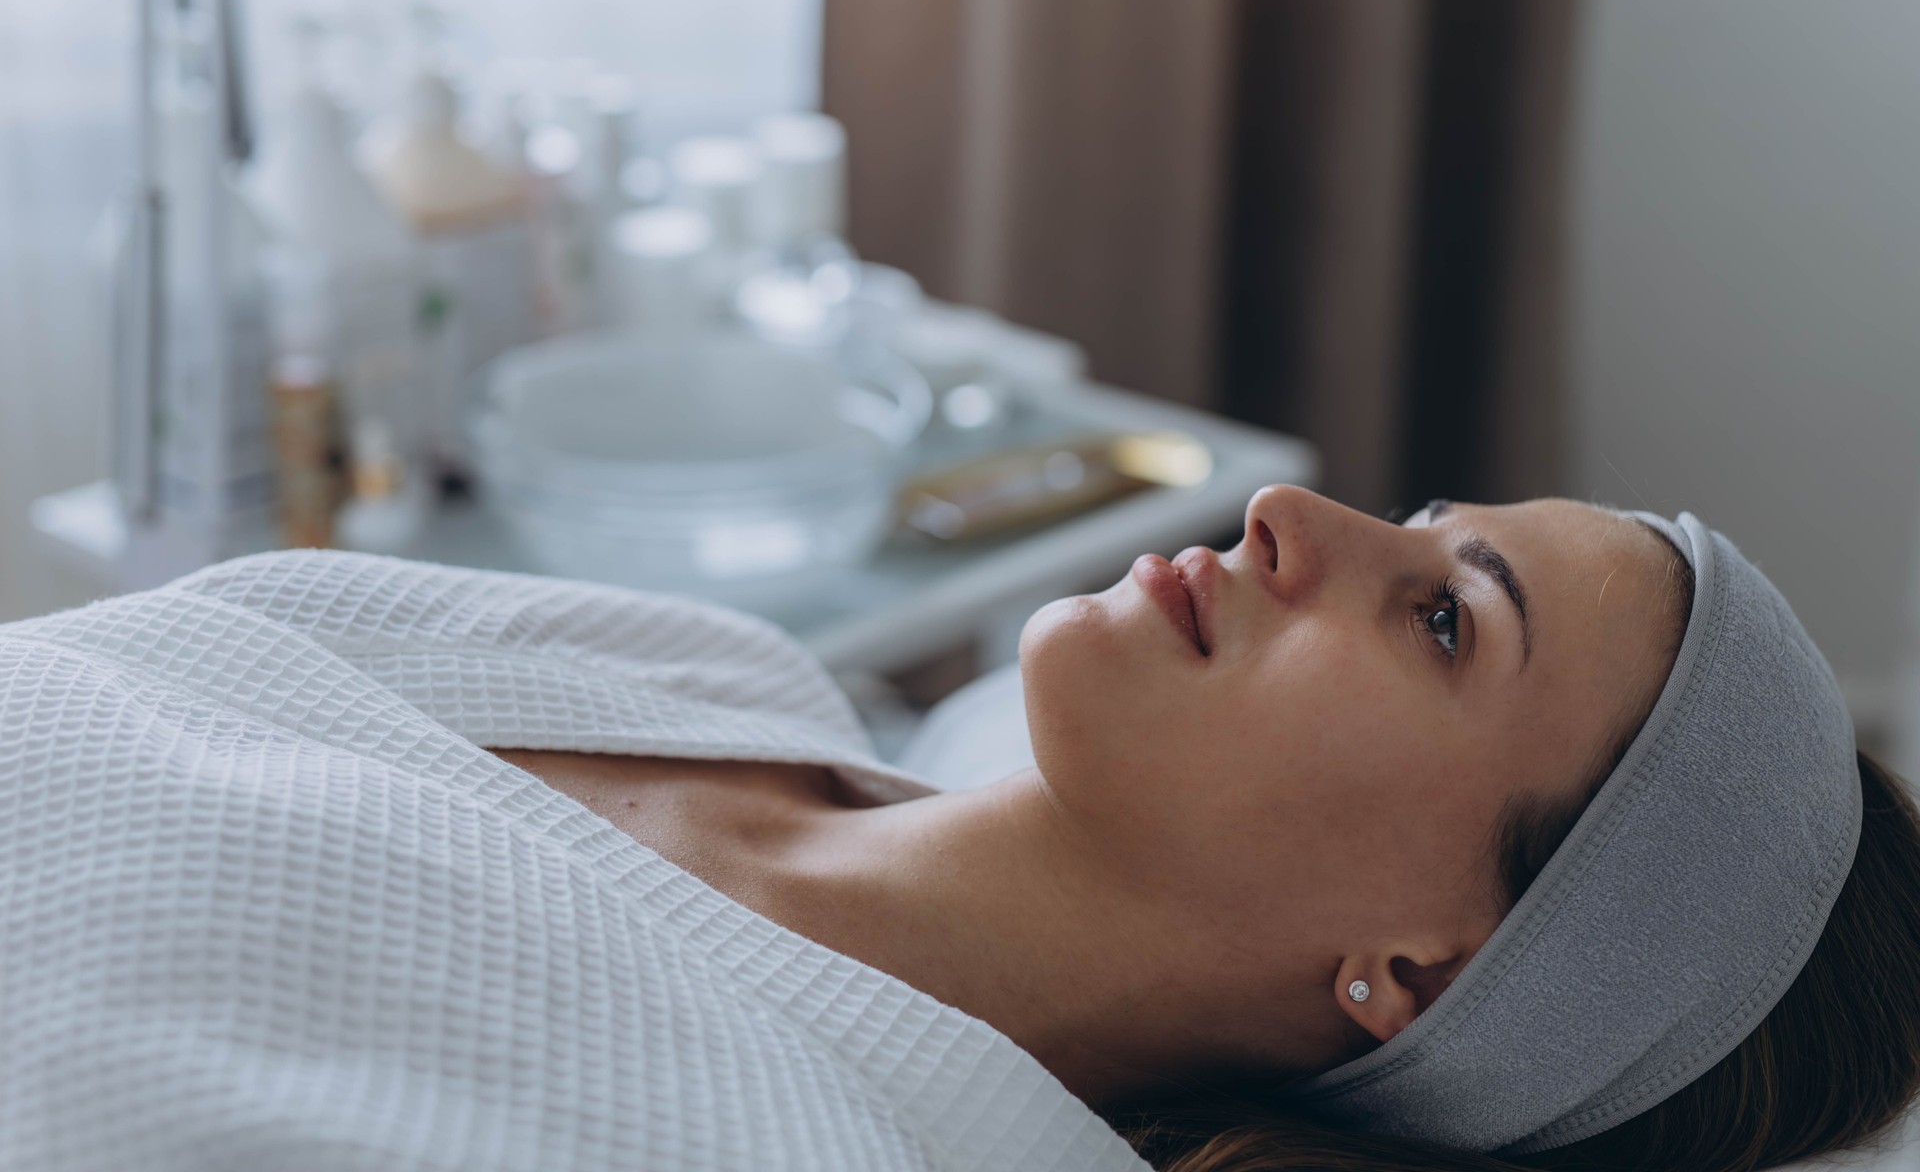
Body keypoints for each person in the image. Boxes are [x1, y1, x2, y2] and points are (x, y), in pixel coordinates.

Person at [0, 486, 1913, 1171]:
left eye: (1439, 619)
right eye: (1422, 520)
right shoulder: (700, 665)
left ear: (1419, 970)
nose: (1294, 517)